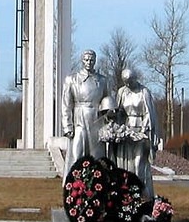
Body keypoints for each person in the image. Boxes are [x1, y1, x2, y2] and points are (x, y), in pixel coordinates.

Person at [60, 49, 114, 175]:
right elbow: (66, 105)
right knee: (77, 153)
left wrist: (109, 122)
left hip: (97, 120)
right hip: (79, 119)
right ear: (82, 61)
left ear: (95, 61)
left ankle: (98, 182)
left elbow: (108, 103)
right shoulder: (72, 79)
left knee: (97, 155)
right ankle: (73, 182)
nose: (89, 62)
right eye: (86, 59)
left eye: (91, 60)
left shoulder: (103, 80)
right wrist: (67, 126)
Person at [112, 67, 160, 198]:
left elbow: (149, 113)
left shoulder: (144, 92)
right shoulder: (122, 92)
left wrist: (143, 131)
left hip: (141, 132)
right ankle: (127, 195)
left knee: (139, 164)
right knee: (125, 165)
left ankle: (142, 195)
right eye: (125, 82)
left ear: (135, 78)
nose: (128, 85)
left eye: (130, 81)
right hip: (126, 132)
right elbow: (118, 111)